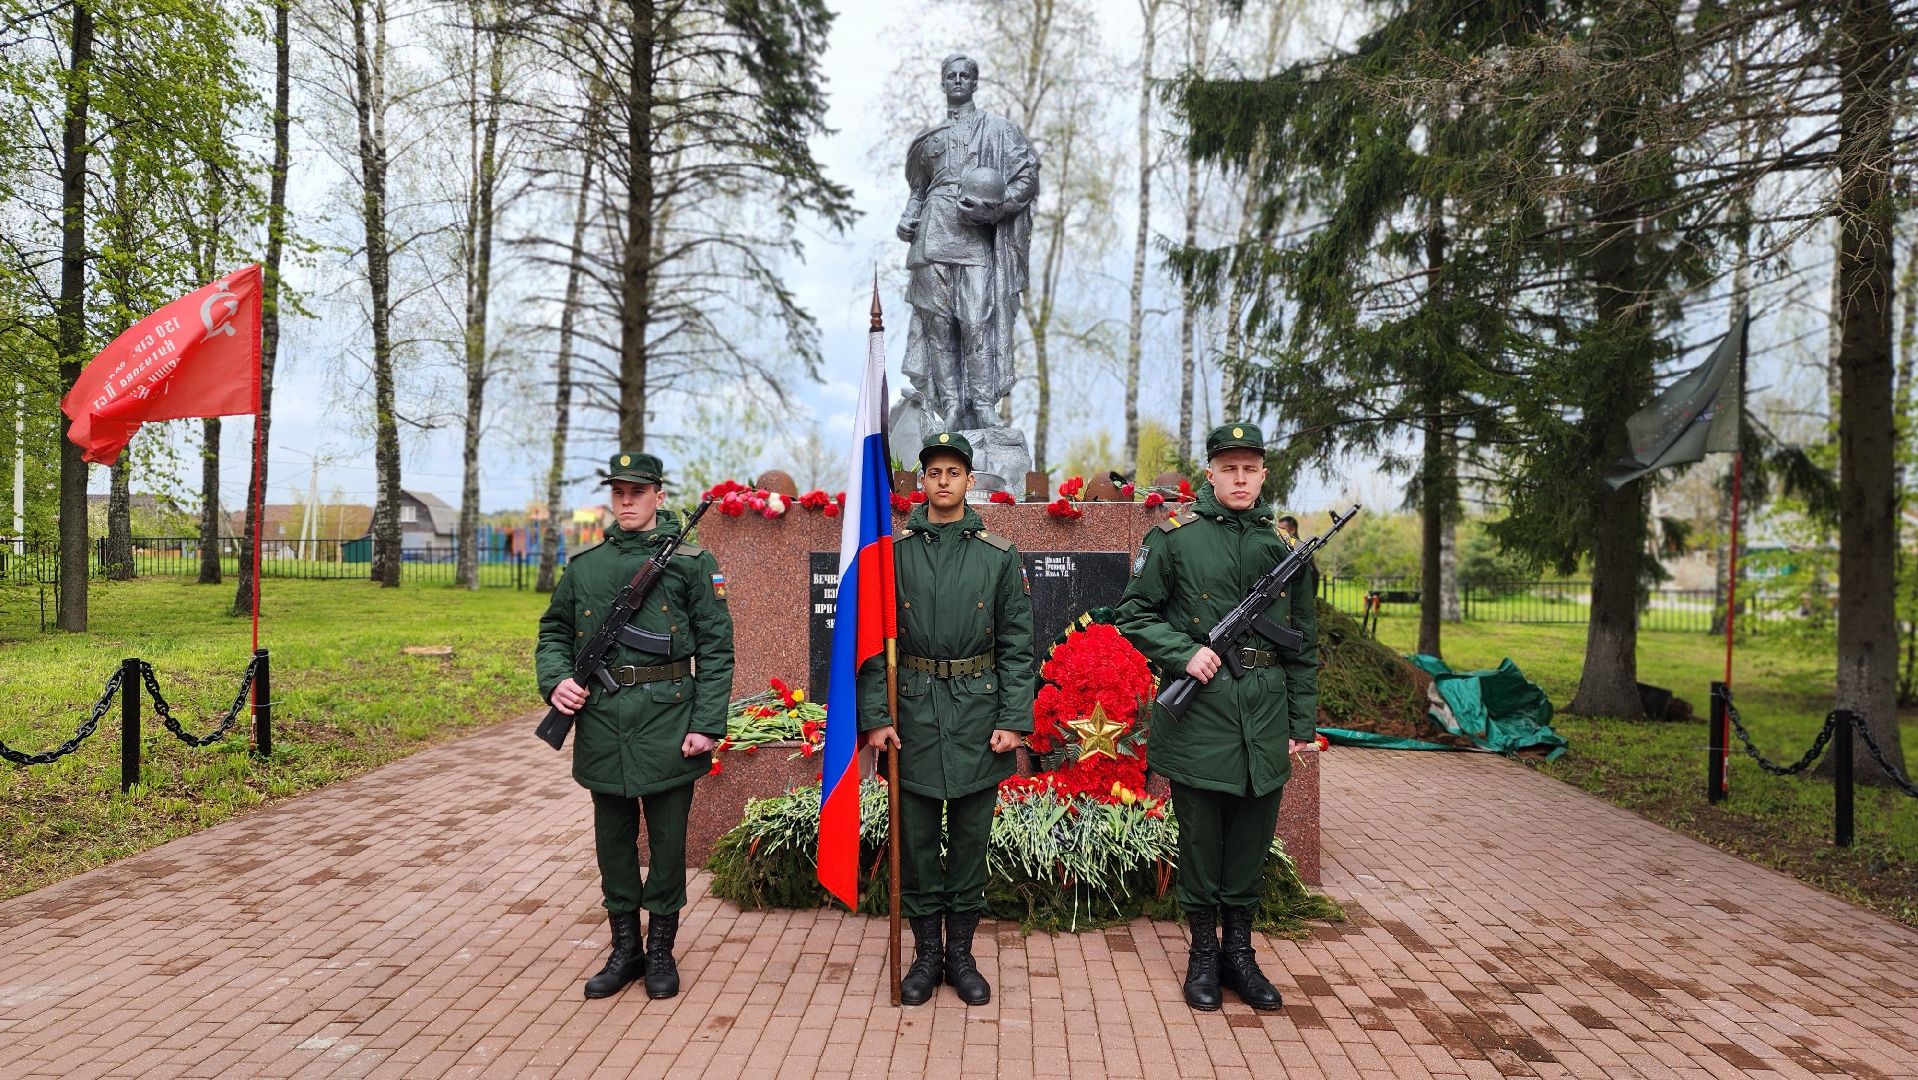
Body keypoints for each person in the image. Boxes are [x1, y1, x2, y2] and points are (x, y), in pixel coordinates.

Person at [1114, 424, 1319, 1012]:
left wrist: (1299, 727)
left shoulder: (1283, 550)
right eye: (1228, 468)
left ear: (1263, 475)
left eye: (1249, 469)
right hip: (1201, 712)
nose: (1239, 478)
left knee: (1251, 844)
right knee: (1203, 842)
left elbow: (1301, 645)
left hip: (1264, 713)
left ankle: (1241, 955)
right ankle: (1204, 955)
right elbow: (1132, 613)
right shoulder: (1175, 538)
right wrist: (1184, 652)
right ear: (1210, 473)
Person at [536, 451, 734, 1001]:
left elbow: (717, 649)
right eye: (619, 491)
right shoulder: (585, 566)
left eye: (638, 491)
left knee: (668, 842)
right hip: (603, 718)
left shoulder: (693, 563)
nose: (627, 501)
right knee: (614, 841)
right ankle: (625, 949)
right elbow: (553, 633)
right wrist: (556, 681)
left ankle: (662, 949)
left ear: (658, 496)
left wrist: (707, 724)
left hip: (671, 718)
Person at [860, 432, 1036, 1006]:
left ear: (968, 480)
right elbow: (869, 643)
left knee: (967, 843)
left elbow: (1016, 643)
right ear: (921, 481)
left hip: (977, 713)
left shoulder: (998, 555)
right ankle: (925, 955)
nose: (942, 481)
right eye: (932, 471)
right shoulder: (892, 553)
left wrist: (1014, 718)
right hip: (910, 712)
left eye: (952, 472)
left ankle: (960, 954)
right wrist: (876, 718)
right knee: (914, 843)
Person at [896, 53, 1039, 435]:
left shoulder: (999, 130)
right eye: (951, 76)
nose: (958, 80)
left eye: (965, 75)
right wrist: (908, 217)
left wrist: (999, 208)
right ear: (943, 83)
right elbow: (918, 191)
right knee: (939, 325)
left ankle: (982, 403)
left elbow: (1027, 176)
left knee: (977, 321)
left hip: (975, 238)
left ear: (975, 83)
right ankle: (953, 407)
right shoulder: (928, 140)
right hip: (932, 237)